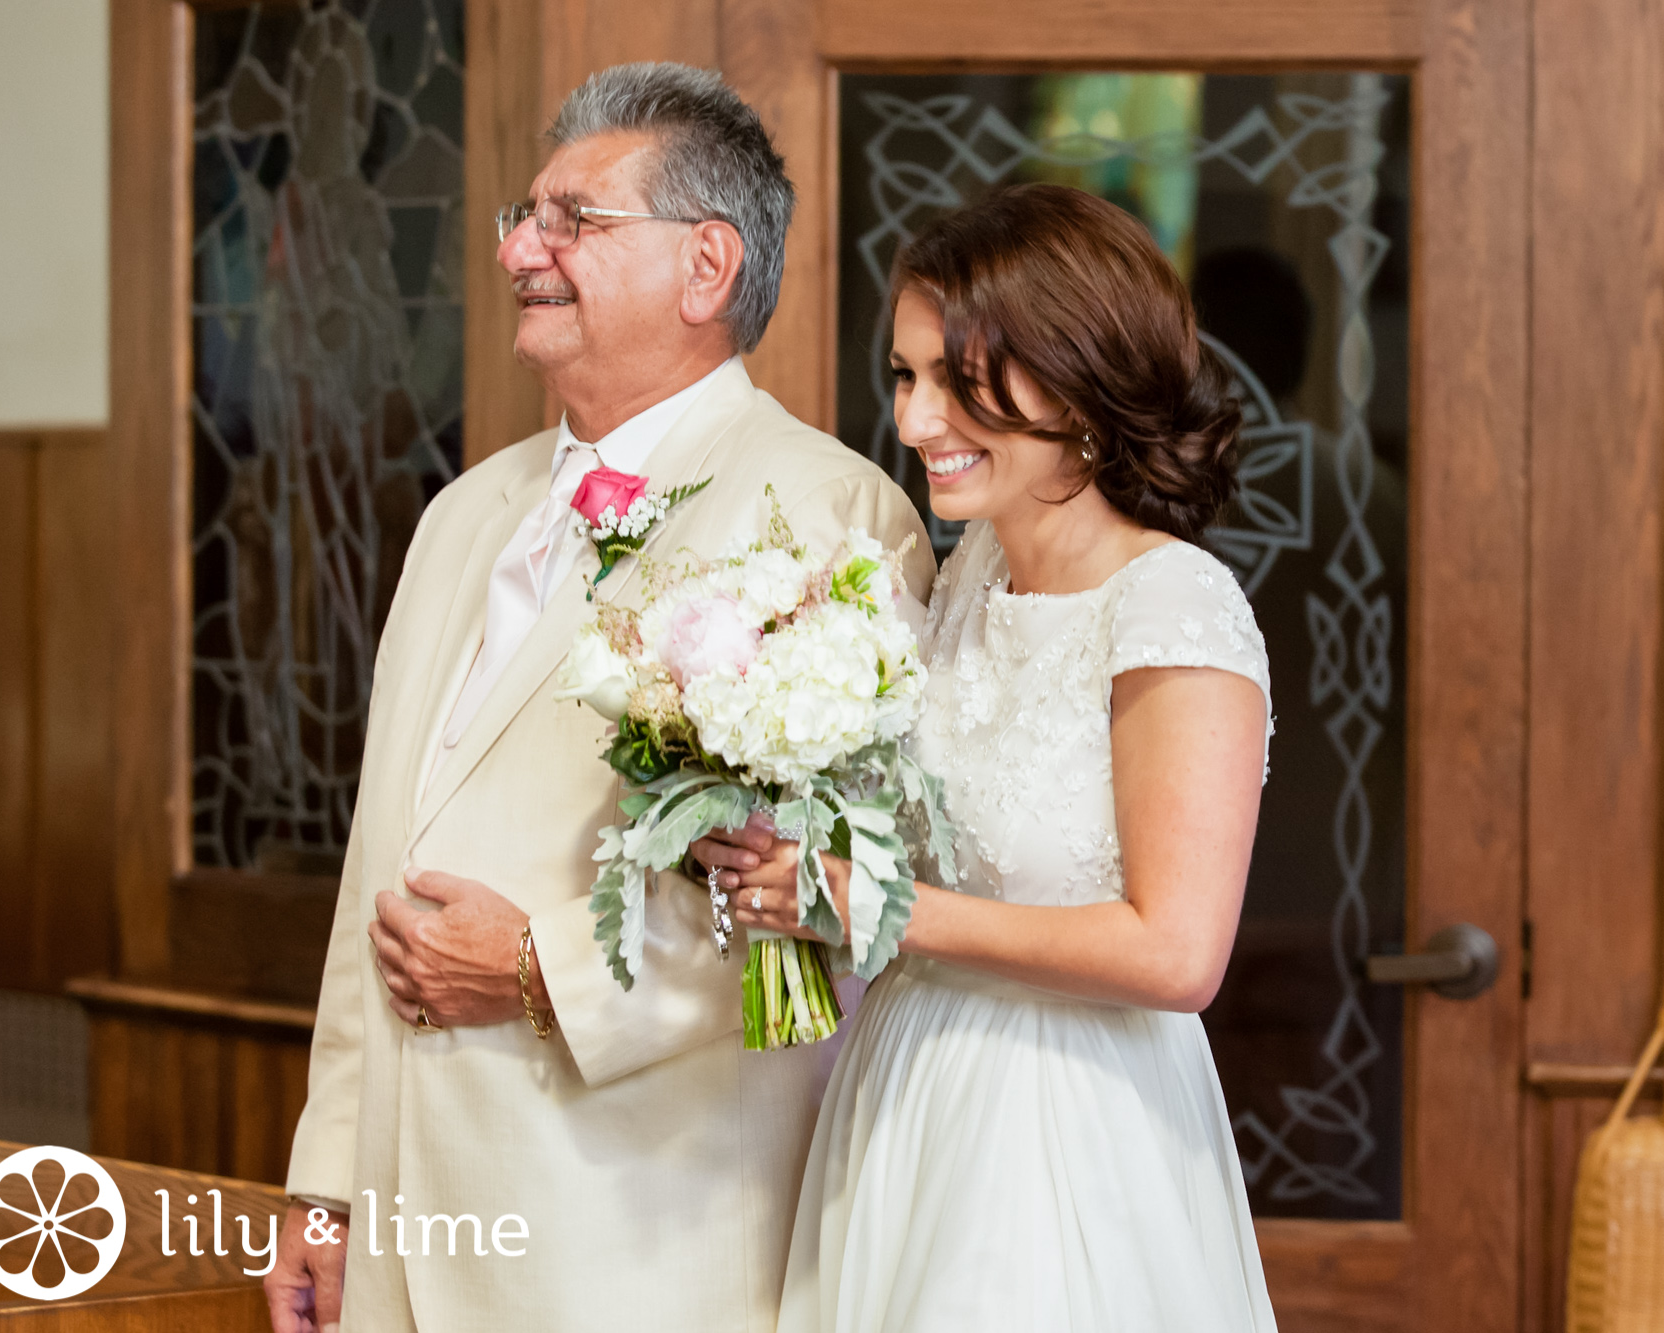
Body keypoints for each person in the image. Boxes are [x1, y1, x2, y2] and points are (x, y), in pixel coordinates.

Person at [265, 63, 933, 1333]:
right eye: (527, 216)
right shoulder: (465, 513)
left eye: (575, 220)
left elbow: (833, 907)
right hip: (411, 1205)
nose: (522, 246)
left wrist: (539, 969)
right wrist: (327, 1181)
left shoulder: (833, 516)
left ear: (705, 265)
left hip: (629, 1225)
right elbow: (378, 868)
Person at [693, 182, 1279, 1332]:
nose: (914, 423)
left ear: (1083, 384)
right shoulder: (960, 575)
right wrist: (772, 828)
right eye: (906, 379)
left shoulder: (1170, 605)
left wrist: (873, 907)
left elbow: (1177, 953)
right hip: (905, 1085)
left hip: (1065, 1117)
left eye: (958, 384)